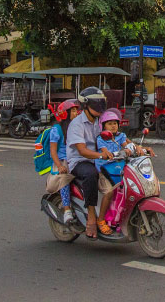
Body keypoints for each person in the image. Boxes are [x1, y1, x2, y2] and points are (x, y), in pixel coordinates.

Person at [94, 108, 153, 234]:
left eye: (115, 123)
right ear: (103, 126)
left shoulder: (121, 136)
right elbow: (104, 150)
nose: (113, 126)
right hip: (105, 169)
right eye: (109, 124)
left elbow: (129, 144)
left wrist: (139, 148)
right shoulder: (101, 138)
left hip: (119, 167)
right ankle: (100, 220)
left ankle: (122, 219)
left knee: (130, 191)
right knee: (109, 192)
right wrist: (109, 153)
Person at [66, 87, 115, 239]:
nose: (100, 107)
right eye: (96, 104)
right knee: (90, 175)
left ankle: (109, 217)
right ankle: (92, 216)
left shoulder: (99, 121)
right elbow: (82, 151)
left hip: (97, 160)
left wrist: (134, 147)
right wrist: (101, 155)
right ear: (86, 105)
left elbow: (113, 136)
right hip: (79, 162)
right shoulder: (77, 124)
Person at [43, 100, 80, 223]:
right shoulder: (57, 129)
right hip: (62, 161)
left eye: (76, 110)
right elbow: (53, 151)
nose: (76, 113)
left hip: (76, 159)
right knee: (64, 180)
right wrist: (59, 166)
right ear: (65, 113)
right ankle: (67, 210)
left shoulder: (78, 127)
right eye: (73, 111)